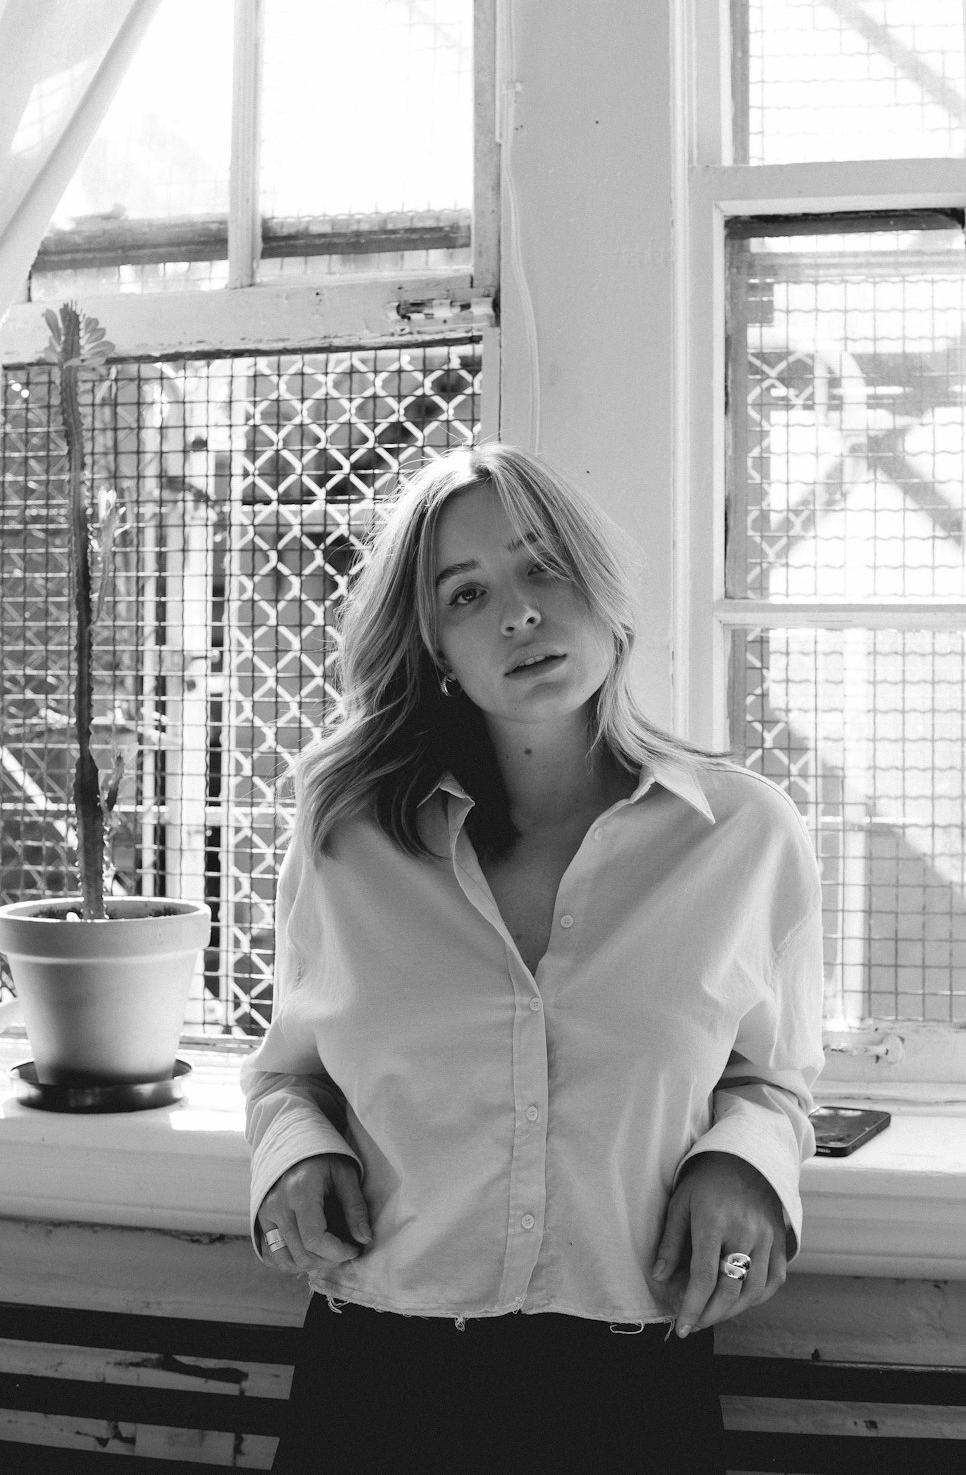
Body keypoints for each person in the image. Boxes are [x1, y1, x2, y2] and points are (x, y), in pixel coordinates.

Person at [241, 441, 825, 1474]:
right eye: (467, 594)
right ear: (434, 651)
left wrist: (747, 1164)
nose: (517, 612)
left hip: (631, 1382)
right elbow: (288, 1073)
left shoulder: (746, 835)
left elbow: (770, 1078)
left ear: (604, 592)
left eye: (542, 566)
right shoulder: (346, 838)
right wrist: (295, 1157)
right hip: (378, 1374)